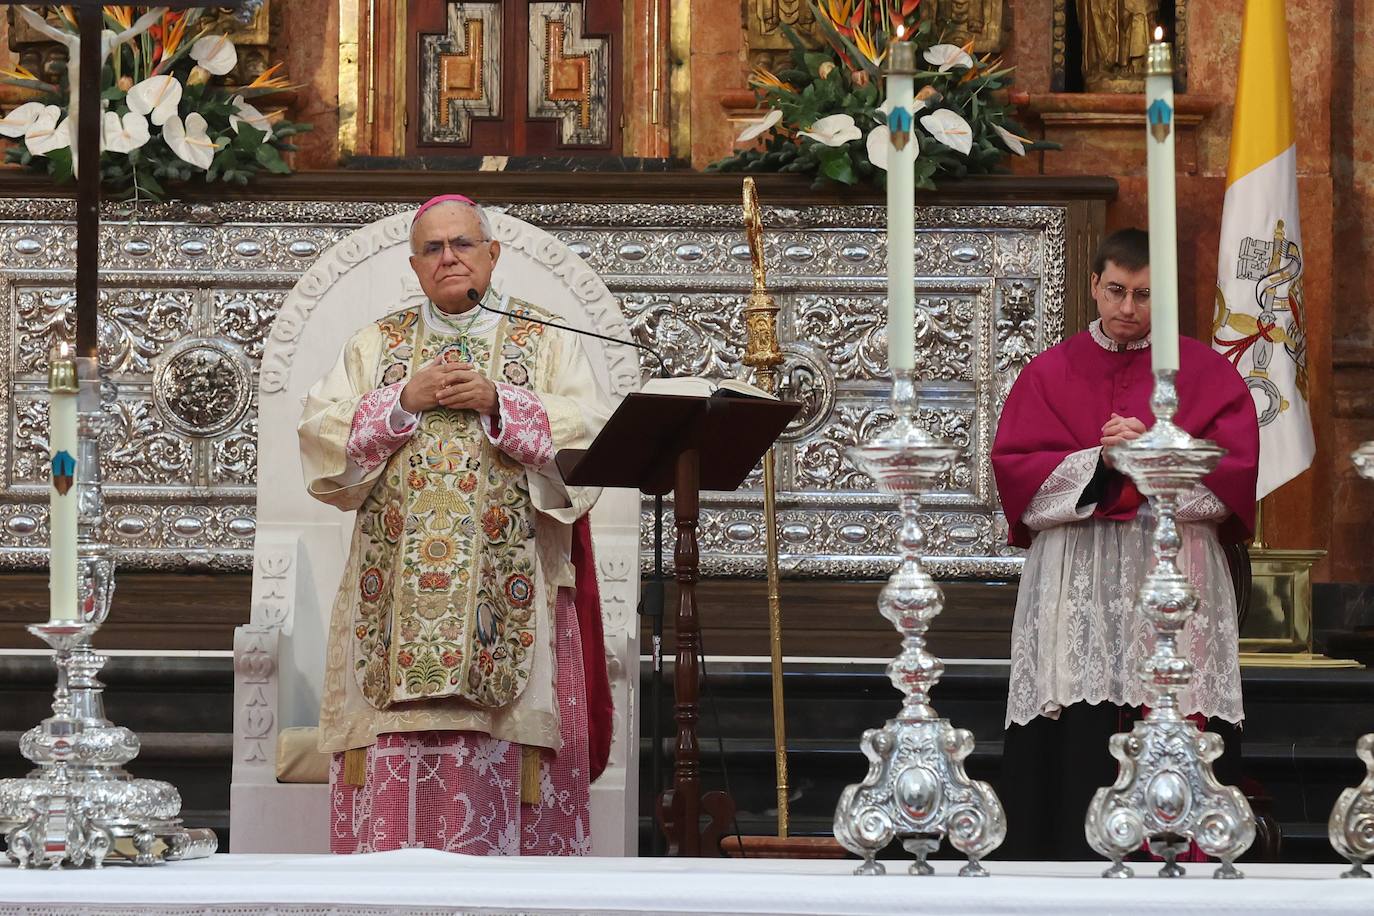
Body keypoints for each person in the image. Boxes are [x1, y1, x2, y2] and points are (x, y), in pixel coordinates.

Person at [299, 194, 614, 855]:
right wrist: (399, 402)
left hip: (509, 608)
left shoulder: (545, 337)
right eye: (433, 248)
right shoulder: (376, 343)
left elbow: (592, 433)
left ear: (492, 254)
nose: (448, 258)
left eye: (462, 244)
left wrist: (503, 400)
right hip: (391, 614)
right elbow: (320, 439)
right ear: (414, 266)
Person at [990, 228, 1259, 859]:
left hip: (1168, 574)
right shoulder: (1049, 371)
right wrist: (1102, 461)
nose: (1128, 308)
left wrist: (1152, 456)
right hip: (1079, 584)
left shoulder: (1205, 372)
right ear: (1094, 285)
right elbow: (1018, 479)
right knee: (1077, 729)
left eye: (1143, 294)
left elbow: (1232, 484)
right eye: (1116, 290)